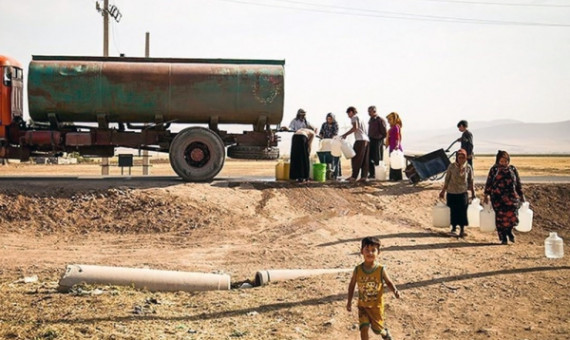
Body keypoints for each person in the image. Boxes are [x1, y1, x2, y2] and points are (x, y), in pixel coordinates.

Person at [347, 236, 400, 340]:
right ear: (361, 251)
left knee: (377, 330)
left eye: (373, 250)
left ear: (378, 252)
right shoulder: (357, 270)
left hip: (376, 306)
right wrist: (349, 301)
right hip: (363, 306)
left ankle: (385, 334)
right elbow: (352, 285)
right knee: (364, 327)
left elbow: (388, 282)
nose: (370, 253)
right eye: (367, 250)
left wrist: (395, 290)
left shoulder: (380, 269)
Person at [483, 150, 525, 244]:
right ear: (498, 161)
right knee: (500, 218)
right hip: (498, 198)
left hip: (511, 197)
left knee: (512, 216)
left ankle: (509, 231)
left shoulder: (512, 169)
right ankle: (503, 238)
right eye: (502, 161)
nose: (504, 163)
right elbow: (489, 182)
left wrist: (521, 195)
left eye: (506, 161)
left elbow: (517, 182)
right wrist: (486, 195)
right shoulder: (494, 170)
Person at [439, 149, 475, 238]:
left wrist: (473, 192)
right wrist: (443, 191)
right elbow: (447, 180)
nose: (461, 159)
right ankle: (454, 229)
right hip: (452, 192)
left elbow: (471, 181)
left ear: (466, 158)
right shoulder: (451, 166)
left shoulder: (468, 167)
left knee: (462, 211)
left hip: (463, 193)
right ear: (457, 158)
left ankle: (462, 230)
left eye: (463, 157)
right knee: (453, 211)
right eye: (459, 157)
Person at [341, 106, 369, 182]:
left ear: (351, 112)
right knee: (364, 160)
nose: (348, 116)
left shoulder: (354, 117)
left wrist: (345, 134)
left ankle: (354, 177)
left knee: (356, 158)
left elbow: (355, 128)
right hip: (366, 140)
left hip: (360, 140)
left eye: (348, 114)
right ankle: (364, 176)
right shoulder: (361, 117)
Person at [318, 112, 341, 178]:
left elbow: (335, 133)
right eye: (328, 119)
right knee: (326, 159)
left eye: (330, 119)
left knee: (335, 159)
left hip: (333, 143)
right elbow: (321, 132)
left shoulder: (335, 124)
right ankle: (326, 174)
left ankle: (336, 174)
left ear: (333, 119)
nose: (329, 120)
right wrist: (321, 136)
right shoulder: (324, 124)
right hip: (325, 143)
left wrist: (331, 138)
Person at [367, 106, 387, 179]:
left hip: (378, 140)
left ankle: (378, 174)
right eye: (368, 111)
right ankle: (372, 173)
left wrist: (382, 140)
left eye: (370, 111)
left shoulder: (380, 120)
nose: (369, 113)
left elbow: (384, 132)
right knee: (369, 157)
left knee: (377, 158)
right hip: (371, 140)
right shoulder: (371, 120)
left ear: (374, 111)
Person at [385, 112, 403, 181]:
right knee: (393, 162)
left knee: (395, 162)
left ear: (393, 119)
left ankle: (395, 178)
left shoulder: (396, 127)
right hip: (392, 147)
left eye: (389, 120)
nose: (388, 122)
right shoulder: (393, 127)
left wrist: (397, 145)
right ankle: (394, 177)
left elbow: (397, 137)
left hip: (395, 147)